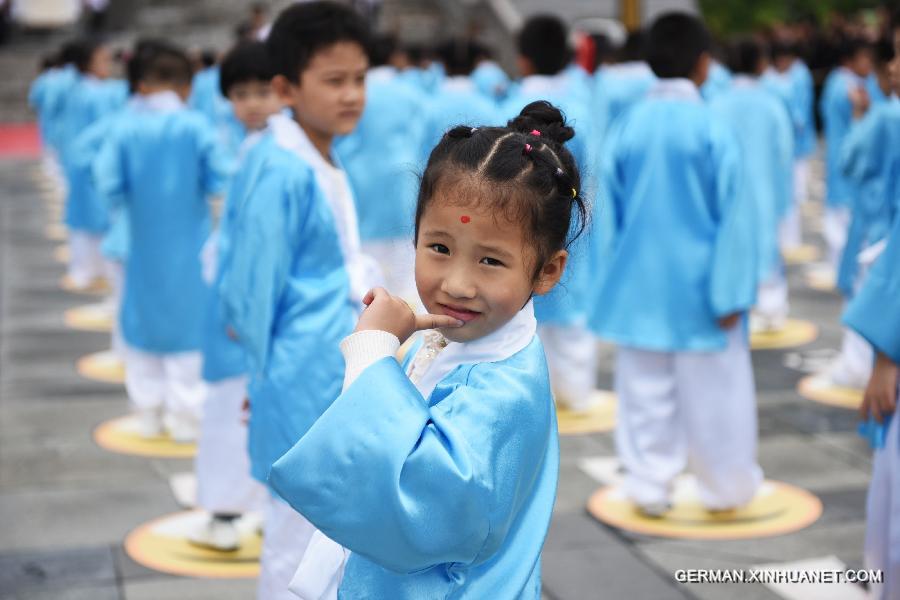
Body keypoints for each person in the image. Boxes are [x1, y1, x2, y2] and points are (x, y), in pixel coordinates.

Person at [269, 101, 581, 600]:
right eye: (439, 248)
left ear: (547, 269)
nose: (456, 284)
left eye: (490, 260)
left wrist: (372, 352)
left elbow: (422, 512)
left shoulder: (502, 389)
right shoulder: (465, 338)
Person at [215, 3, 365, 597]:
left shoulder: (317, 152)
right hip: (301, 370)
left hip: (327, 365)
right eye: (334, 81)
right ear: (286, 88)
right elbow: (250, 290)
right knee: (296, 538)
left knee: (325, 532)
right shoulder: (281, 169)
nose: (352, 94)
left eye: (359, 78)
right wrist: (263, 378)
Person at [591, 13, 762, 516]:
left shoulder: (628, 127)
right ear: (704, 65)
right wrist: (733, 291)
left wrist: (610, 285)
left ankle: (648, 485)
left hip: (639, 290)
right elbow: (735, 216)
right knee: (718, 398)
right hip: (706, 293)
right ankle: (725, 486)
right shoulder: (714, 127)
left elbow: (608, 218)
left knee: (644, 397)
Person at [93, 46, 229, 442]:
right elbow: (221, 177)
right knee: (188, 331)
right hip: (189, 247)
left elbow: (107, 182)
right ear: (185, 87)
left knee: (141, 327)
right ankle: (188, 417)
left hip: (141, 244)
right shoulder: (196, 126)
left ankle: (147, 413)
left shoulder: (125, 128)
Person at [190, 40, 281, 553]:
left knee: (234, 409)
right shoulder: (258, 150)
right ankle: (256, 506)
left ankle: (228, 512)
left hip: (247, 310)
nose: (252, 103)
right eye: (241, 93)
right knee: (247, 407)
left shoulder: (270, 154)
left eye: (262, 91)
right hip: (243, 306)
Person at [504, 14, 600, 412]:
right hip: (571, 225)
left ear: (523, 59)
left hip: (517, 228)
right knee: (572, 313)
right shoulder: (582, 106)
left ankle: (529, 400)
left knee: (520, 314)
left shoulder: (507, 104)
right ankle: (577, 394)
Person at [711, 36, 794, 332]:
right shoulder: (772, 104)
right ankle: (771, 307)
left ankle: (738, 299)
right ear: (761, 64)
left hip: (726, 193)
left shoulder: (715, 103)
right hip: (764, 188)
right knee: (767, 243)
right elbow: (784, 152)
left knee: (730, 243)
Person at [336, 33, 425, 302]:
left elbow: (341, 143)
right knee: (407, 272)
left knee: (366, 271)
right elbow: (423, 142)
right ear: (394, 57)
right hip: (404, 183)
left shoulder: (354, 94)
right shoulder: (411, 93)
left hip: (360, 183)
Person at [57, 38, 127, 289]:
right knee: (100, 220)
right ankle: (92, 271)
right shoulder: (95, 93)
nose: (107, 63)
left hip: (80, 161)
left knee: (88, 220)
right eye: (101, 59)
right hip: (92, 162)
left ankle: (87, 269)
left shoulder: (78, 89)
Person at [820, 37, 874, 270]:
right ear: (849, 60)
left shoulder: (837, 81)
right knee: (844, 227)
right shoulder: (850, 88)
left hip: (840, 159)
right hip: (848, 161)